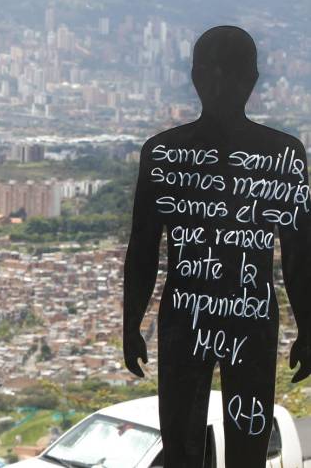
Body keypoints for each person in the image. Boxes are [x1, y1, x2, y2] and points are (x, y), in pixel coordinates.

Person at [123, 25, 311, 467]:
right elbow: (299, 254)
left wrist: (132, 323)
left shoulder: (164, 152)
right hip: (246, 317)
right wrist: (308, 326)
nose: (220, 84)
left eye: (223, 74)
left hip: (189, 317)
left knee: (189, 448)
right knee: (239, 450)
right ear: (255, 79)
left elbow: (144, 249)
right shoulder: (282, 153)